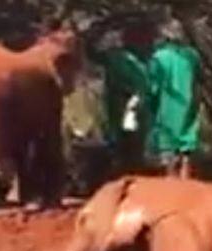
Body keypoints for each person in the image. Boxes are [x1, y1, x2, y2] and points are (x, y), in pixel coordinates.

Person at [86, 16, 156, 177]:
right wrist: (102, 26)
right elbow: (91, 51)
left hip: (140, 114)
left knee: (135, 152)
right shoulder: (115, 57)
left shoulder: (148, 61)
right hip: (123, 112)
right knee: (124, 150)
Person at [147, 20, 201, 179]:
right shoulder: (192, 55)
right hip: (189, 109)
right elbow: (197, 81)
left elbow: (153, 88)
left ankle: (171, 192)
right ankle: (186, 189)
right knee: (186, 155)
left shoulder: (158, 58)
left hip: (167, 113)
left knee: (168, 156)